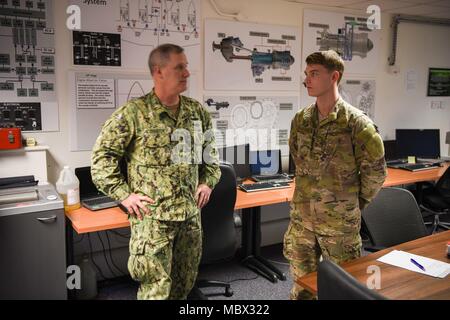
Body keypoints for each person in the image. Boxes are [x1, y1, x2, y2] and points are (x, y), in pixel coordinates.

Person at [91, 44, 221, 300]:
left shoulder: (197, 112)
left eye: (186, 66)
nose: (187, 73)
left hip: (189, 219)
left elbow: (211, 158)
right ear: (158, 71)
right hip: (153, 223)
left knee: (183, 288)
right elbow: (101, 160)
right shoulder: (133, 114)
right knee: (156, 292)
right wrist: (124, 195)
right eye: (179, 67)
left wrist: (207, 183)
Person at [284, 50, 386, 300]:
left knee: (342, 290)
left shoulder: (357, 123)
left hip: (339, 226)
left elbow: (376, 173)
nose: (307, 80)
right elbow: (297, 160)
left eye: (314, 74)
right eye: (307, 74)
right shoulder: (301, 120)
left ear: (334, 77)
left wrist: (354, 204)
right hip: (302, 222)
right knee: (301, 288)